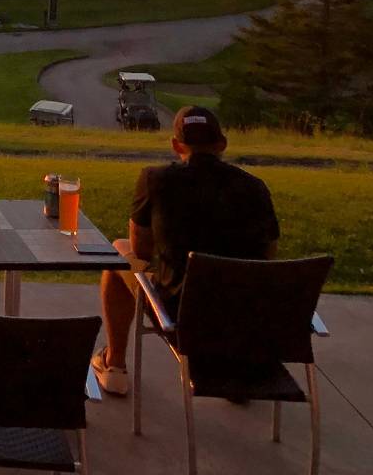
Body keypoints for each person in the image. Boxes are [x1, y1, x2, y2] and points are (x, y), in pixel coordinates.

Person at [93, 104, 279, 396]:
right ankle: (235, 377)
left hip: (181, 318)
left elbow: (140, 252)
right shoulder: (256, 188)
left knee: (119, 250)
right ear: (222, 144)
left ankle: (114, 365)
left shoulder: (155, 180)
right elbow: (269, 257)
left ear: (176, 145)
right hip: (244, 323)